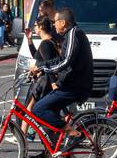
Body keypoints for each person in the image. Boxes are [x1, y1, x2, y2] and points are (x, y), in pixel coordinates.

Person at [27, 9, 95, 148]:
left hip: (74, 86)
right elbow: (60, 60)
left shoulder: (73, 34)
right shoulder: (71, 35)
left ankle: (72, 132)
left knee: (38, 109)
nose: (53, 26)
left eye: (55, 22)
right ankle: (54, 145)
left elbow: (65, 61)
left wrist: (42, 68)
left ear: (63, 22)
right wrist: (43, 68)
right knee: (48, 111)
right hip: (72, 84)